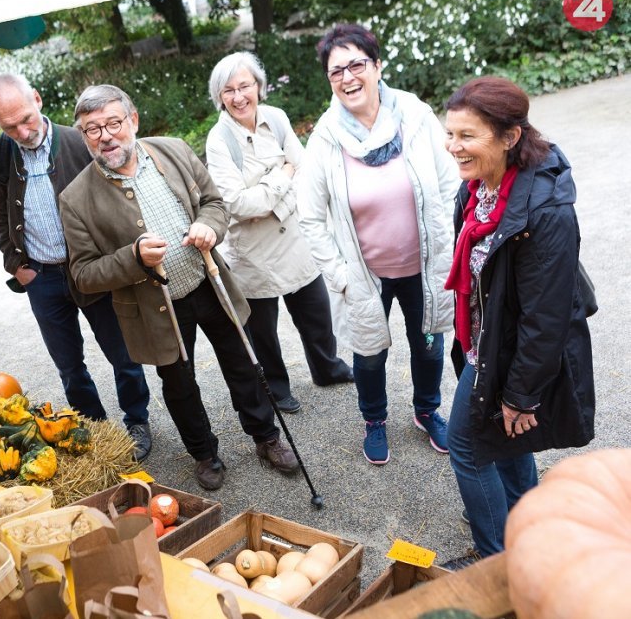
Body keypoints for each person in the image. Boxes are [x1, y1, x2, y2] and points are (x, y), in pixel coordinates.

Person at [59, 84, 299, 490]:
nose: (106, 136)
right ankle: (204, 453)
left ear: (132, 120)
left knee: (242, 363)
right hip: (156, 304)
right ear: (83, 137)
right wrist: (133, 258)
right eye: (92, 129)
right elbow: (82, 274)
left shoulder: (173, 150)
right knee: (180, 385)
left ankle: (266, 437)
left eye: (114, 123)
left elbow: (215, 203)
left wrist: (209, 225)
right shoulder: (75, 197)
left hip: (207, 281)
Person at [441, 76, 595, 568]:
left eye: (467, 136)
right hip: (485, 340)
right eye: (450, 134)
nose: (454, 148)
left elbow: (545, 319)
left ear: (509, 137)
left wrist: (520, 395)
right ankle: (530, 533)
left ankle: (498, 561)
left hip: (510, 350)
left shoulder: (546, 212)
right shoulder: (478, 187)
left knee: (466, 446)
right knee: (505, 440)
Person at [296, 24, 459, 465]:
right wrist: (340, 274)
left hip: (423, 264)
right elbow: (309, 215)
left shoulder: (414, 114)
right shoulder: (327, 137)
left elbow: (448, 184)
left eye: (356, 65)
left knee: (428, 345)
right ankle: (374, 420)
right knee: (368, 355)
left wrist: (448, 244)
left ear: (377, 65)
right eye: (336, 71)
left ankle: (427, 410)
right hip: (366, 273)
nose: (348, 78)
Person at [0, 74, 153, 460]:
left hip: (91, 270)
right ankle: (91, 427)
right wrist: (15, 264)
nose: (23, 131)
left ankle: (137, 420)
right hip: (41, 276)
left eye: (26, 118)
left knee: (122, 354)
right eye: (10, 126)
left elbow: (116, 195)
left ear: (38, 100)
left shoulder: (79, 140)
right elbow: (0, 213)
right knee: (69, 365)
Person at [205, 51, 352, 415]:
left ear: (259, 86)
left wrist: (274, 193)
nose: (239, 97)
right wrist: (281, 177)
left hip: (295, 239)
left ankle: (327, 367)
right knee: (264, 331)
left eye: (245, 86)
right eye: (229, 90)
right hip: (254, 252)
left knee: (316, 314)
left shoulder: (277, 118)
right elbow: (237, 203)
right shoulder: (219, 139)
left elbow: (303, 168)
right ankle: (276, 387)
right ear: (219, 96)